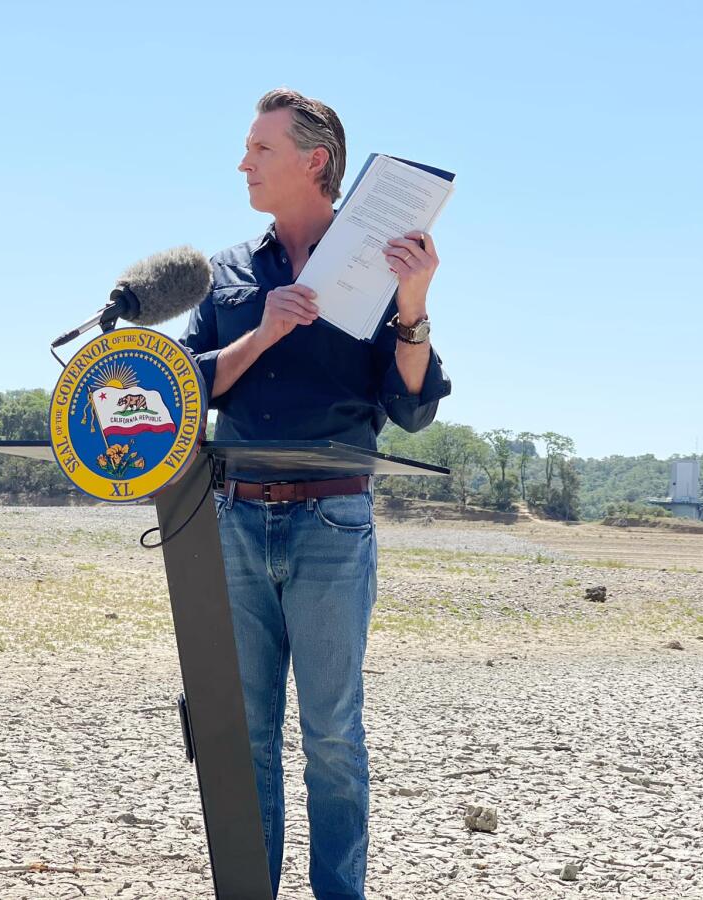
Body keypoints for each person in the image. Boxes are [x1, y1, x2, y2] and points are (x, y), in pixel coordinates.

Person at [179, 88, 452, 899]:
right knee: (246, 736)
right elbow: (188, 389)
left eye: (260, 150)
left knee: (332, 734)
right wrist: (263, 332)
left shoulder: (377, 269)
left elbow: (410, 408)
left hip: (333, 522)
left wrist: (414, 305)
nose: (243, 163)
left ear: (316, 163)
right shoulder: (224, 272)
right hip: (229, 519)